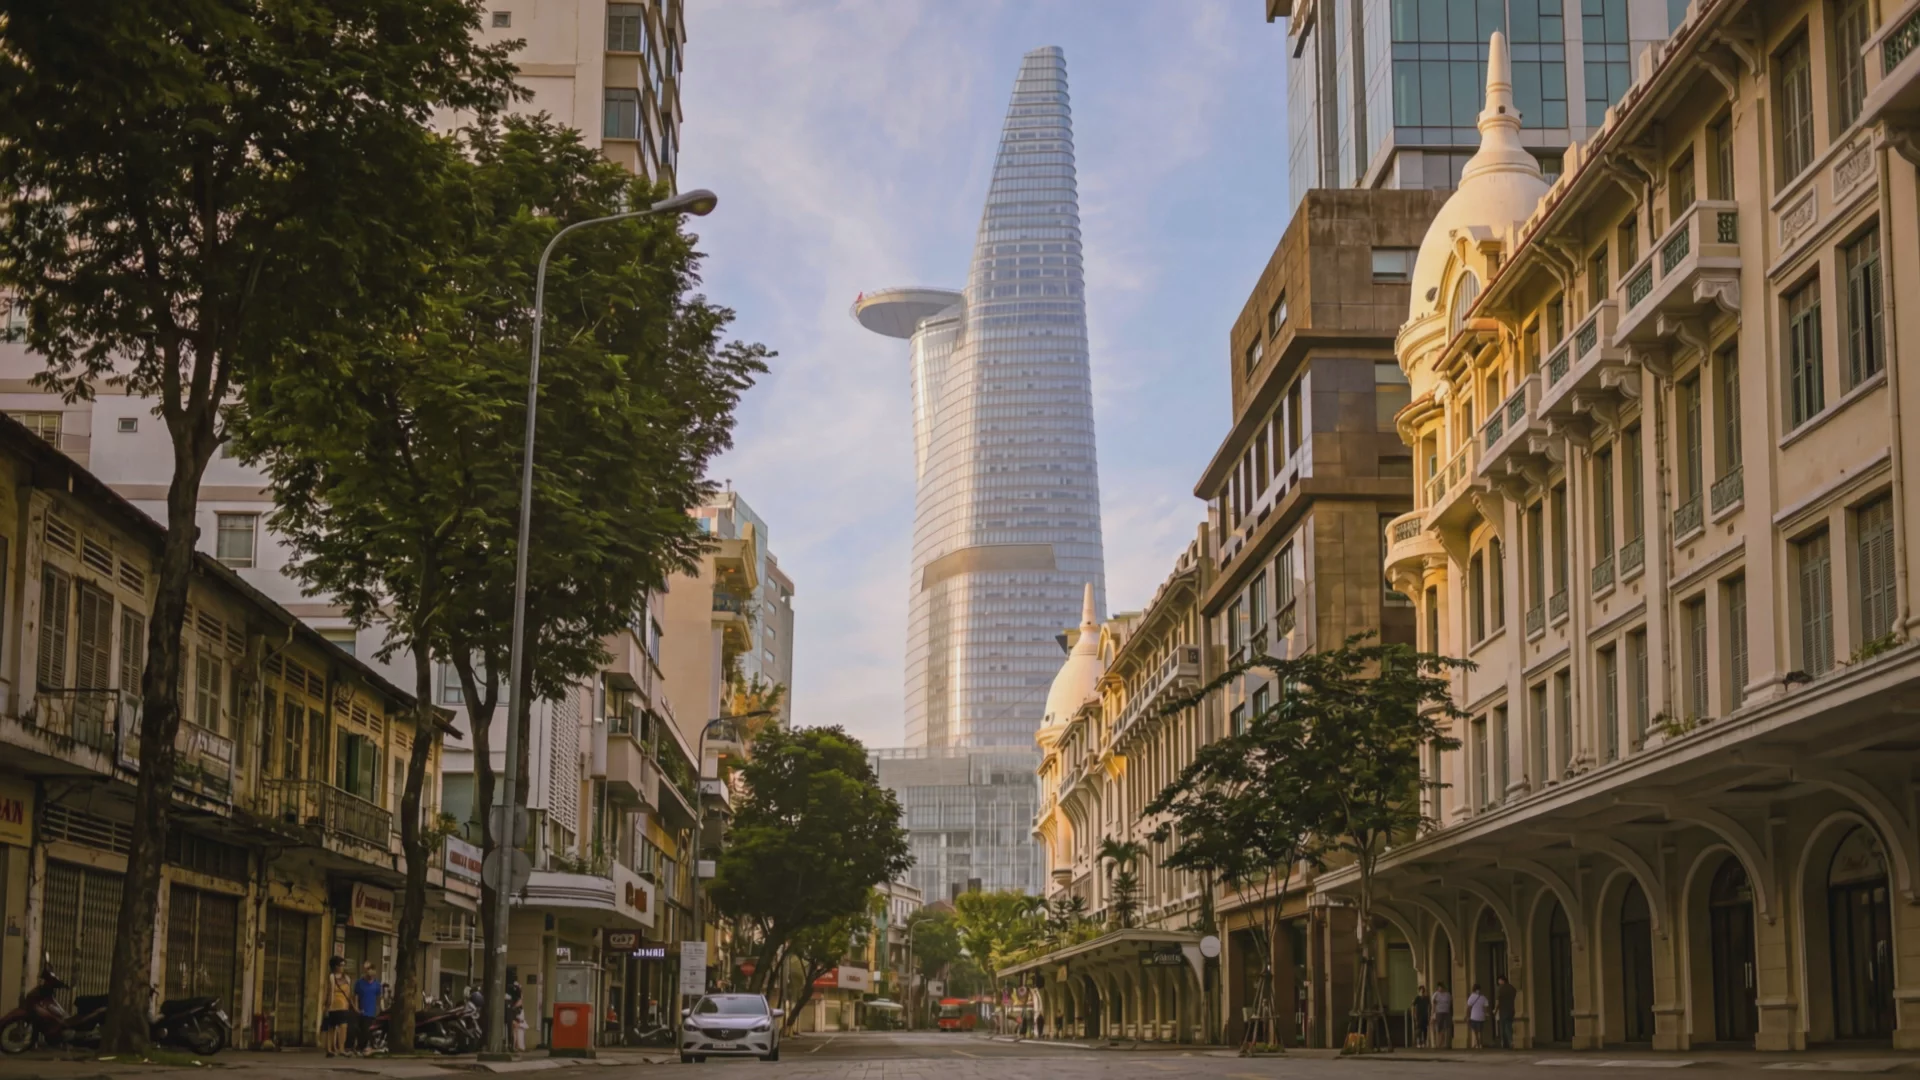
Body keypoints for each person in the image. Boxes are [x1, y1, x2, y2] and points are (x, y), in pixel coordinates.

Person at [323, 956, 354, 1058]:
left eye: (343, 965)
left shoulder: (347, 978)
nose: (342, 967)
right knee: (331, 1027)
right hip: (333, 1005)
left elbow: (349, 993)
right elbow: (330, 991)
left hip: (344, 1005)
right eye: (340, 965)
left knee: (343, 1027)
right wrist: (327, 1005)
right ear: (335, 966)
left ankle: (341, 1048)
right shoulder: (331, 977)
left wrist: (351, 1005)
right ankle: (330, 1049)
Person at [353, 962, 383, 1055]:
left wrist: (381, 1008)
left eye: (373, 972)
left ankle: (366, 1046)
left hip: (372, 1012)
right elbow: (355, 997)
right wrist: (356, 1008)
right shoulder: (359, 983)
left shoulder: (377, 984)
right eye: (369, 971)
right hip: (362, 1011)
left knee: (369, 1030)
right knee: (361, 1030)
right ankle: (360, 1047)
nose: (371, 974)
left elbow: (379, 997)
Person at [1495, 974, 1518, 1050]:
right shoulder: (1512, 988)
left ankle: (1505, 1043)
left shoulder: (1500, 989)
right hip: (1511, 1009)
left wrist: (1495, 1009)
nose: (1498, 982)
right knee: (1509, 1026)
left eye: (1499, 980)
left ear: (1502, 980)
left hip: (1503, 1010)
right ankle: (1511, 1041)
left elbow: (1498, 1001)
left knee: (1503, 1027)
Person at [1465, 983, 1490, 1049]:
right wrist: (1486, 1015)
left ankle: (1477, 1044)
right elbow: (1486, 1007)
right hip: (1481, 1017)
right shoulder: (1483, 997)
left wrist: (1467, 1016)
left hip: (1474, 1017)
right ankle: (1480, 1044)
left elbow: (1468, 1007)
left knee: (1475, 1032)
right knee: (1480, 1032)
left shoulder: (1471, 997)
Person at [1431, 983, 1453, 1049]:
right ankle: (1439, 1043)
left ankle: (1446, 1044)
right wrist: (1432, 1013)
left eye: (1441, 987)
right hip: (1439, 1012)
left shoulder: (1448, 994)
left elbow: (1450, 1003)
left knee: (1447, 1027)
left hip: (1446, 1012)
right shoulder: (1436, 994)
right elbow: (1433, 1005)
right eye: (1439, 987)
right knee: (1440, 1028)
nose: (1440, 989)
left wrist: (1449, 1011)